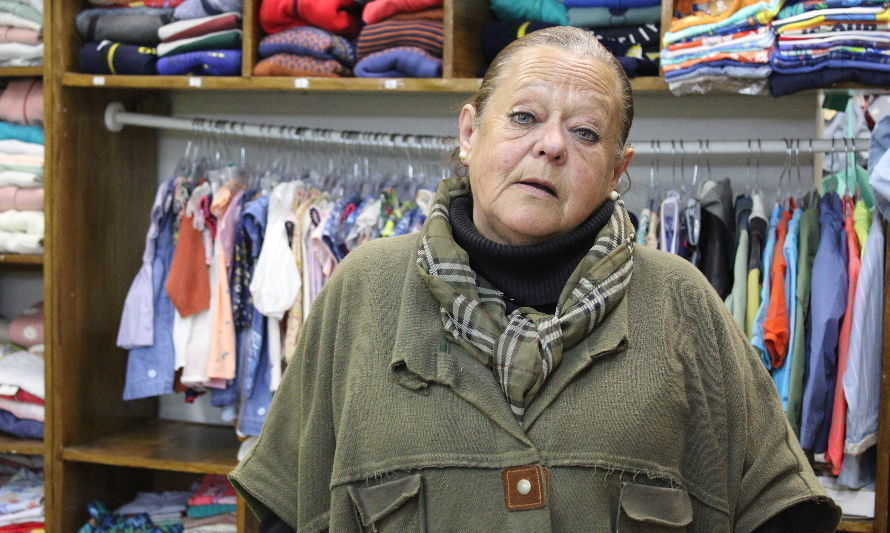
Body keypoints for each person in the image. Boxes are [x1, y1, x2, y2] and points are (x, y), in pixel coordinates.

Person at [229, 26, 841, 532]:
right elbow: (287, 506)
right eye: (524, 116)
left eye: (585, 133)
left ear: (616, 170)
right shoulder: (365, 291)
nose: (550, 146)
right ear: (469, 133)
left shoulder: (681, 302)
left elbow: (779, 506)